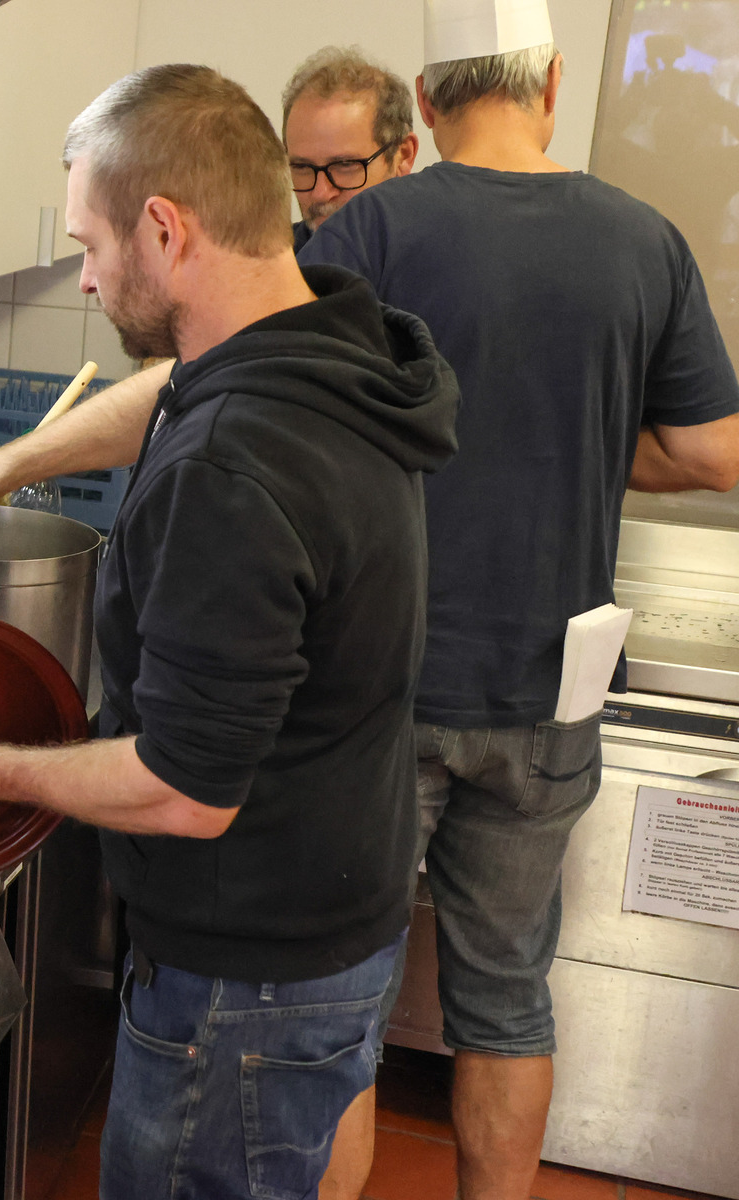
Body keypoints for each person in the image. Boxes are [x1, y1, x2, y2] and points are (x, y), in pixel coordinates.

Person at [0, 63, 459, 1198]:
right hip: (334, 907)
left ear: (164, 227)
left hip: (246, 983)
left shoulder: (232, 474)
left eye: (91, 247)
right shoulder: (332, 339)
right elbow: (177, 387)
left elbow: (189, 790)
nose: (88, 278)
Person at [299, 0, 739, 1194]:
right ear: (550, 86)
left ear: (425, 104)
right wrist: (579, 438)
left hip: (384, 690)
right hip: (550, 695)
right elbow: (713, 454)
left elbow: (285, 420)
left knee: (341, 1002)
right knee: (506, 999)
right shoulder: (645, 240)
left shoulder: (371, 229)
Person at [282, 46, 420, 250]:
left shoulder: (444, 256)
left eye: (344, 165)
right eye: (302, 167)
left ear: (403, 155)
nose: (320, 194)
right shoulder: (265, 263)